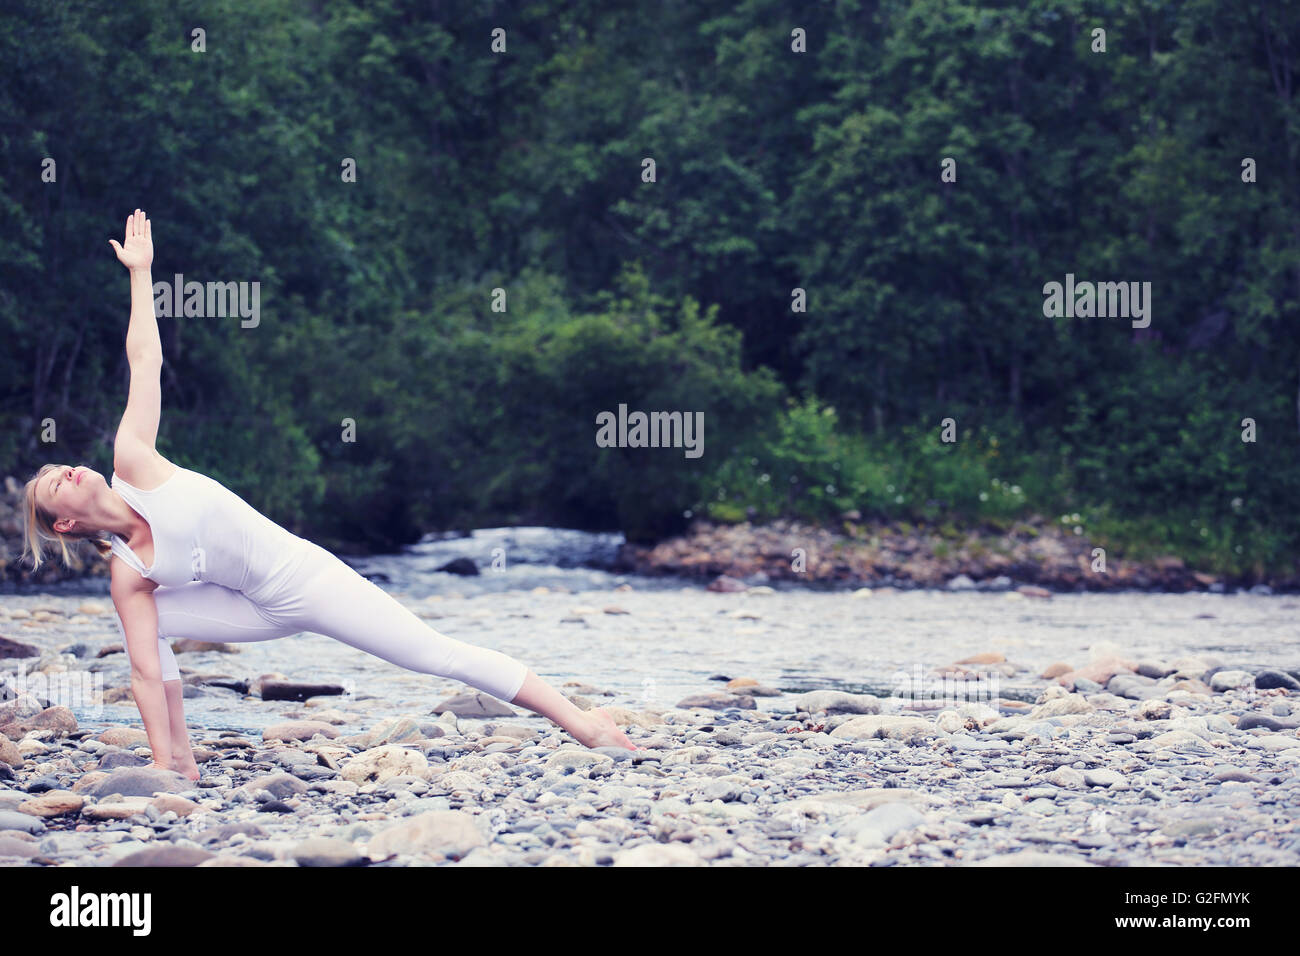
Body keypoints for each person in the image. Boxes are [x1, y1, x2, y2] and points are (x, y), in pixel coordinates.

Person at [21, 209, 638, 780]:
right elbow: (145, 675)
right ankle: (179, 761)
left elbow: (144, 359)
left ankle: (586, 724)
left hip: (305, 580)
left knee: (432, 654)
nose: (69, 470)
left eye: (64, 466)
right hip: (251, 610)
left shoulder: (134, 460)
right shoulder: (127, 577)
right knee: (141, 632)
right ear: (66, 526)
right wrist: (160, 769)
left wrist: (142, 274)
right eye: (55, 484)